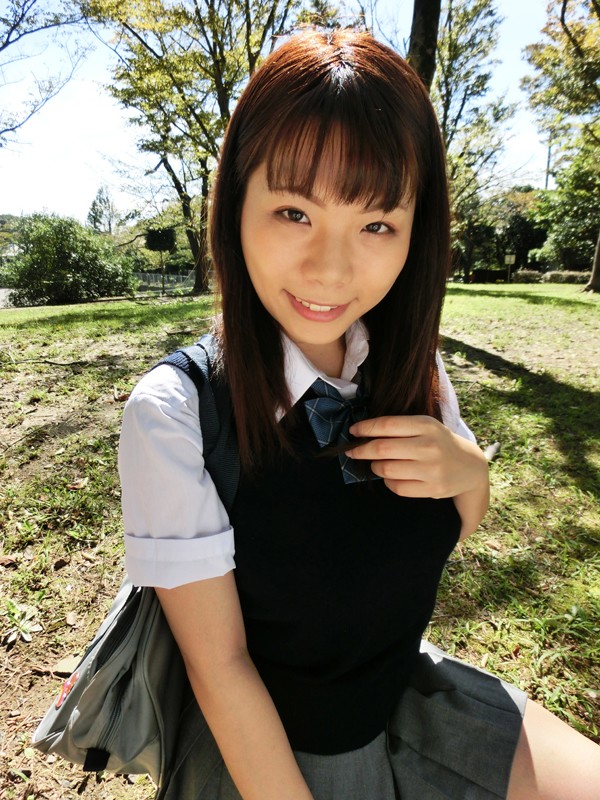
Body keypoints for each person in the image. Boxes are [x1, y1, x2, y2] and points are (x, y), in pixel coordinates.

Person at [118, 29, 600, 800]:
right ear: (235, 203)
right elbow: (221, 669)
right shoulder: (175, 415)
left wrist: (468, 470)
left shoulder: (408, 362)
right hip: (275, 749)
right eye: (293, 212)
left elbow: (447, 524)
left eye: (377, 224)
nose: (331, 270)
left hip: (404, 692)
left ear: (416, 232)